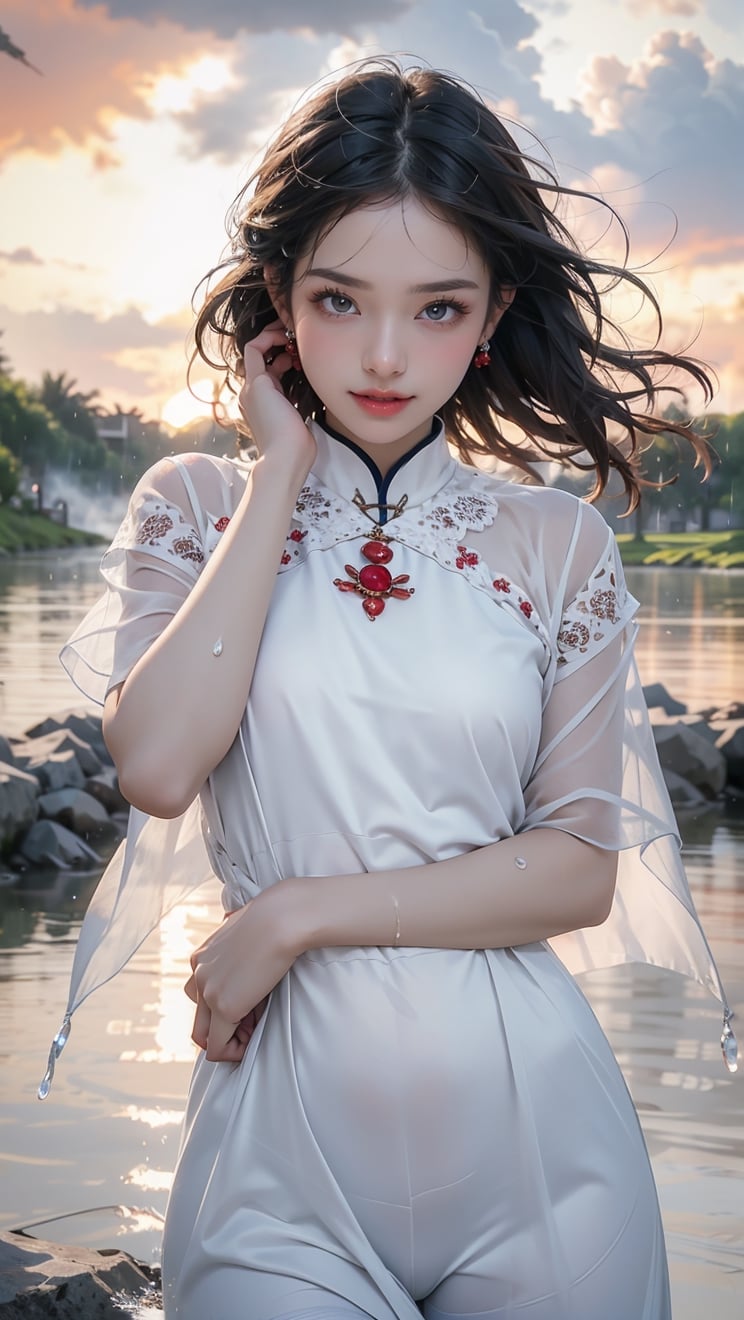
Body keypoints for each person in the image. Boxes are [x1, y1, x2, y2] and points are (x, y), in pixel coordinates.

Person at [42, 58, 737, 1320]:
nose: (380, 352)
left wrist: (297, 913)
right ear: (277, 298)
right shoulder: (197, 509)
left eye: (435, 308)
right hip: (274, 1175)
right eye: (338, 297)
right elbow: (154, 768)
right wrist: (275, 474)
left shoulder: (555, 543)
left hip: (546, 1166)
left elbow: (581, 869)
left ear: (493, 310)